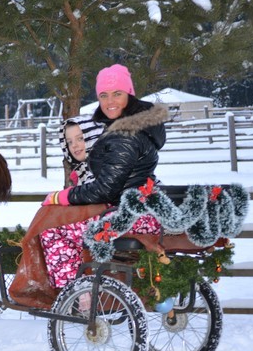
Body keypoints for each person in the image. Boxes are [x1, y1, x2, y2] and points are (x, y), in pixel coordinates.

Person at [39, 63, 169, 288]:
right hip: (137, 211)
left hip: (130, 218)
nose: (110, 102)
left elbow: (106, 189)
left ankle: (76, 297)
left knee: (51, 231)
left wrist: (62, 197)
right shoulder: (130, 128)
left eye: (117, 94)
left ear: (129, 94)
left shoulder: (124, 135)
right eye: (104, 95)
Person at [58, 115, 104, 186]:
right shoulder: (84, 173)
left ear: (93, 137)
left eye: (80, 138)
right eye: (69, 142)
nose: (74, 145)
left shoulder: (103, 174)